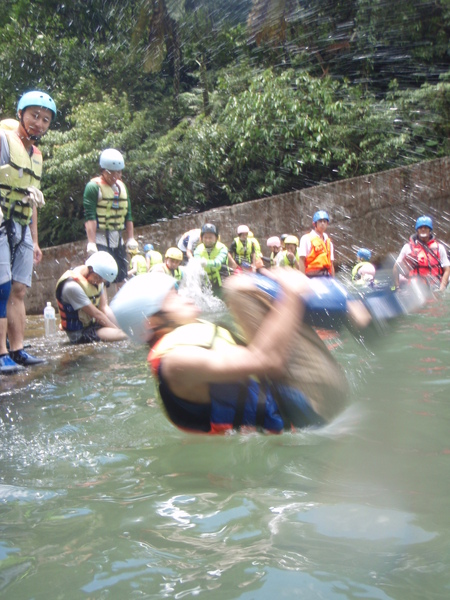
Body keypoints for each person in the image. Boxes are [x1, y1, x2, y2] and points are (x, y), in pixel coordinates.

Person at [0, 90, 57, 372]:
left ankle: (18, 349)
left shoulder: (37, 155)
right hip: (1, 219)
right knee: (2, 286)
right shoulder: (3, 141)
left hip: (22, 224)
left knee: (19, 289)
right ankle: (1, 353)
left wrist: (35, 240)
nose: (40, 123)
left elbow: (33, 199)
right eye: (35, 116)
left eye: (46, 120)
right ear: (21, 114)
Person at [83, 148, 137, 289]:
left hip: (117, 237)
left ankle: (124, 306)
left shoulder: (121, 187)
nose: (115, 176)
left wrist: (131, 238)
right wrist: (91, 242)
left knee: (122, 275)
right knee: (101, 274)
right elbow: (90, 217)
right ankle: (102, 306)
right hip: (100, 237)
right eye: (111, 172)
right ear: (103, 170)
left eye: (118, 172)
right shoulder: (93, 187)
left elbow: (128, 214)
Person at [55, 251, 128, 344]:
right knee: (125, 336)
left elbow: (104, 308)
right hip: (79, 333)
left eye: (102, 280)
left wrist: (119, 328)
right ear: (90, 269)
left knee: (124, 332)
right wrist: (118, 332)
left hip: (93, 325)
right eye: (97, 278)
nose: (99, 282)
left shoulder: (98, 281)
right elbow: (96, 314)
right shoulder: (71, 286)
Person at [393, 216, 450, 292]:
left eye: (426, 227)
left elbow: (447, 269)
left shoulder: (439, 248)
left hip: (435, 287)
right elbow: (396, 268)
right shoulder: (407, 248)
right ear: (417, 230)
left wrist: (442, 288)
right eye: (420, 228)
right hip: (415, 290)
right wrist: (397, 288)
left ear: (430, 230)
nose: (423, 229)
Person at [193, 223, 230, 298]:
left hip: (221, 278)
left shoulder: (222, 248)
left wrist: (206, 263)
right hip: (206, 280)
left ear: (216, 238)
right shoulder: (198, 249)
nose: (207, 240)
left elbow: (218, 261)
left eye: (210, 237)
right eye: (205, 237)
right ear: (202, 238)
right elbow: (196, 259)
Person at [299, 210, 335, 277]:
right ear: (314, 224)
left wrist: (333, 279)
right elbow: (301, 260)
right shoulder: (306, 239)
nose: (322, 224)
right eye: (320, 221)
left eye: (324, 221)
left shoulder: (329, 242)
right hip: (311, 276)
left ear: (327, 224)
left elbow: (331, 264)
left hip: (326, 276)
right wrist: (303, 279)